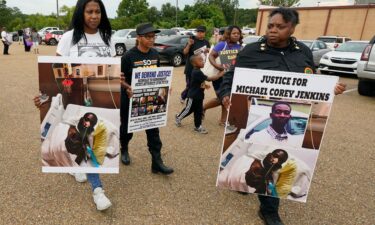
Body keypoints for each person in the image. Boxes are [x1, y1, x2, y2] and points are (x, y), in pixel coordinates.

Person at [218, 7, 346, 225]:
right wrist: (226, 94)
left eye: (280, 26)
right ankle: (251, 191)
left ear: (292, 28)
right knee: (250, 153)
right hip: (256, 114)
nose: (273, 30)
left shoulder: (303, 51)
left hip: (292, 116)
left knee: (274, 159)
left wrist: (328, 90)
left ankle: (267, 207)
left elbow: (311, 80)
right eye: (270, 26)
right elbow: (231, 75)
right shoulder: (251, 51)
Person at [34, 0, 115, 211]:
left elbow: (114, 69)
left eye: (98, 11)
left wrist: (120, 82)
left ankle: (77, 166)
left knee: (93, 137)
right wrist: (49, 93)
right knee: (85, 138)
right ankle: (98, 191)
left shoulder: (108, 37)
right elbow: (56, 69)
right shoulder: (69, 38)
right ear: (81, 13)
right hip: (74, 100)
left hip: (98, 98)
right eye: (89, 11)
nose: (94, 16)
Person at [120, 22, 174, 175]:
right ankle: (124, 148)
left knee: (153, 130)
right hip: (130, 99)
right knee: (126, 129)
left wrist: (165, 86)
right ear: (139, 38)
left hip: (151, 98)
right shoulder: (128, 56)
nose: (152, 39)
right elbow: (120, 79)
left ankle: (157, 162)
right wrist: (127, 87)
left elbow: (157, 75)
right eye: (148, 37)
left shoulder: (155, 54)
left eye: (153, 36)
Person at [204, 25, 243, 127]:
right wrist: (219, 67)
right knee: (222, 98)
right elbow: (211, 56)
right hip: (219, 76)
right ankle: (202, 108)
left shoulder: (240, 47)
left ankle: (223, 120)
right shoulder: (222, 45)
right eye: (234, 33)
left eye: (238, 33)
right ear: (229, 34)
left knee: (227, 98)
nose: (236, 35)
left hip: (231, 77)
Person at [175, 55, 223, 134]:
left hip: (199, 96)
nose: (203, 61)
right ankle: (178, 117)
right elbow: (209, 79)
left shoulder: (198, 71)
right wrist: (220, 74)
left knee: (198, 111)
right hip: (193, 96)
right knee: (188, 109)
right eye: (200, 60)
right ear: (194, 64)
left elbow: (199, 81)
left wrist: (204, 85)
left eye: (203, 60)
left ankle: (198, 126)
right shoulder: (196, 72)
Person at [180, 25, 210, 104]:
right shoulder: (192, 41)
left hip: (201, 68)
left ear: (205, 33)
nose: (200, 33)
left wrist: (208, 51)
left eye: (202, 32)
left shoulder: (206, 42)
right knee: (190, 86)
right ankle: (183, 96)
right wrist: (189, 44)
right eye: (198, 32)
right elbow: (185, 52)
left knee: (200, 86)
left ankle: (196, 101)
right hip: (190, 68)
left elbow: (209, 54)